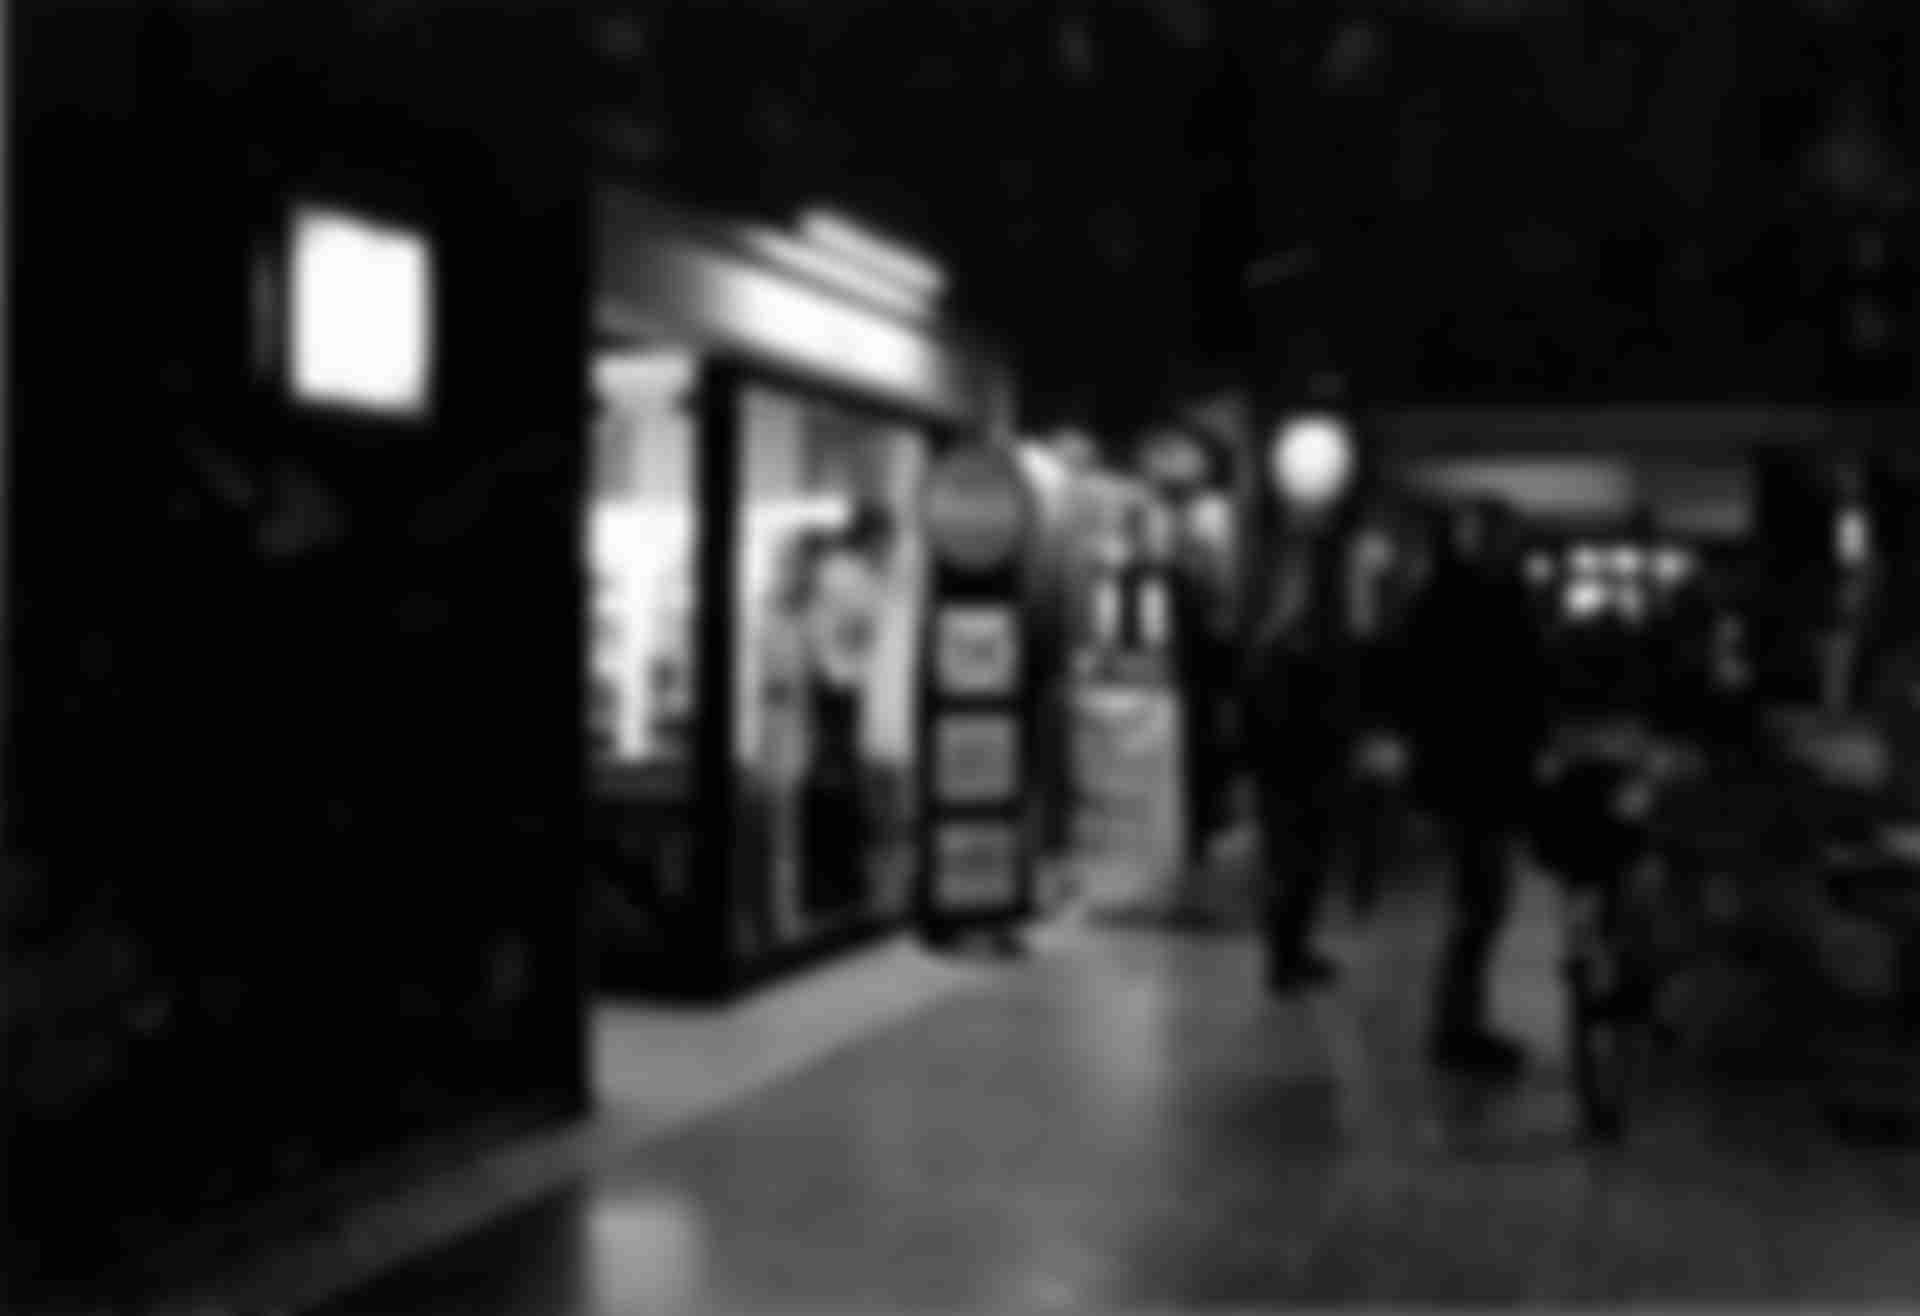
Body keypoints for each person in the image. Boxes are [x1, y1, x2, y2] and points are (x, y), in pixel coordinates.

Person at [1400, 499, 1553, 1075]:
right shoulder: (1468, 605)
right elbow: (1479, 693)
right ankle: (1456, 1029)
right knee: (1479, 905)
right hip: (1475, 773)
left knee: (1480, 905)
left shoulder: (1454, 600)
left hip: (1474, 772)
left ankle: (1460, 1024)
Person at [1241, 541, 1357, 993]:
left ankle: (1294, 952)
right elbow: (1271, 719)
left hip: (1302, 770)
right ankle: (1283, 960)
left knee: (1304, 868)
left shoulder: (1294, 650)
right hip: (1290, 774)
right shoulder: (1278, 654)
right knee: (1290, 869)